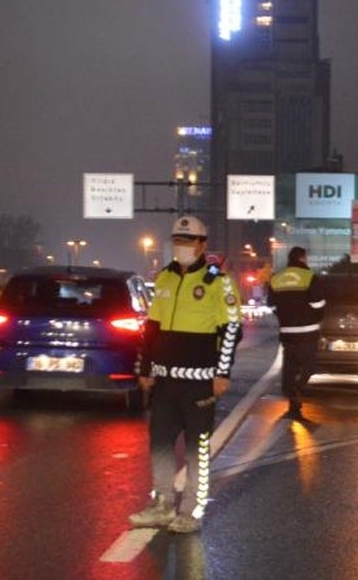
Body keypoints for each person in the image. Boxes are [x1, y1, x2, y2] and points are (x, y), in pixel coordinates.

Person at [128, 215, 241, 534]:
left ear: (202, 245)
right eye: (177, 241)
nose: (181, 247)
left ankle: (191, 509)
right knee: (160, 444)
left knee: (196, 449)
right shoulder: (163, 278)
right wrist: (146, 368)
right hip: (165, 380)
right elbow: (151, 329)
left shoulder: (218, 281)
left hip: (200, 381)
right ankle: (161, 504)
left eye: (188, 241)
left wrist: (222, 372)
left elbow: (231, 328)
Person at [267, 246, 325, 419]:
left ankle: (293, 403)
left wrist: (284, 317)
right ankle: (300, 387)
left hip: (287, 332)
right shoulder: (309, 277)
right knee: (310, 364)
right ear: (302, 258)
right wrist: (316, 317)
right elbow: (318, 304)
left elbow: (271, 305)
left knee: (290, 367)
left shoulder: (277, 279)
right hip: (308, 331)